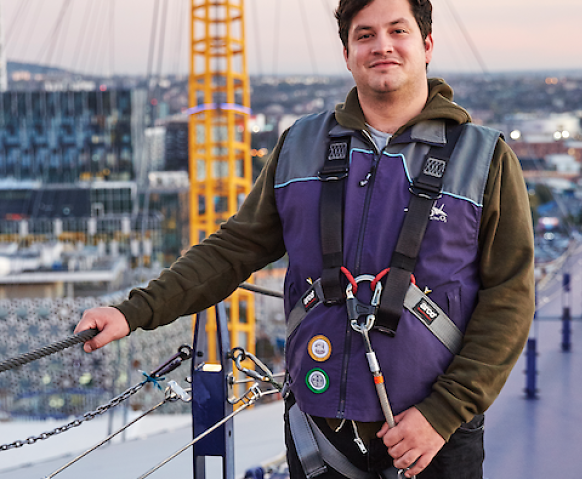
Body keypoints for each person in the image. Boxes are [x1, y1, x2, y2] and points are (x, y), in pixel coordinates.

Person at [75, 0, 535, 477]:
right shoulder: (301, 146)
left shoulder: (484, 159)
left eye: (398, 31)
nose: (382, 46)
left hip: (431, 437)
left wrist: (442, 414)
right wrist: (132, 311)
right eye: (365, 35)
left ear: (426, 45)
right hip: (319, 431)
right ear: (347, 52)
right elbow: (233, 250)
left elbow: (510, 299)